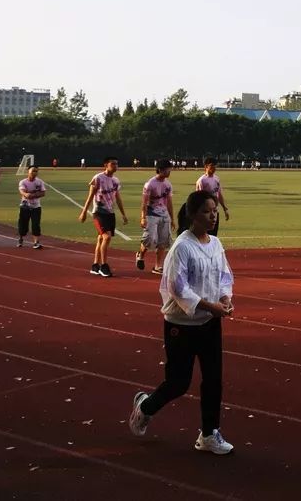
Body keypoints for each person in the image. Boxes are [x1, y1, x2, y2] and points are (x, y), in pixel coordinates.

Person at [127, 190, 236, 454]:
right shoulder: (182, 247)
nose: (213, 216)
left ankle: (209, 434)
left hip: (210, 323)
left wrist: (225, 297)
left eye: (214, 210)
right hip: (182, 326)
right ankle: (145, 407)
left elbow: (224, 275)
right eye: (207, 211)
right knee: (178, 382)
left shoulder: (215, 244)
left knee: (213, 379)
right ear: (192, 215)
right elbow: (178, 287)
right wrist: (210, 306)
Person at [78, 157, 128, 277]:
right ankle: (104, 266)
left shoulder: (115, 181)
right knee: (107, 237)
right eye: (112, 164)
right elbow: (90, 196)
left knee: (101, 238)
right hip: (99, 212)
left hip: (110, 213)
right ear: (106, 165)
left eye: (117, 164)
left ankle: (95, 265)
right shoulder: (98, 178)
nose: (115, 166)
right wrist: (84, 212)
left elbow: (118, 197)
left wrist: (123, 214)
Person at [139, 161, 176, 275]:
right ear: (160, 170)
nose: (169, 172)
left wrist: (172, 218)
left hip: (164, 215)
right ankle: (140, 254)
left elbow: (169, 202)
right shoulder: (150, 184)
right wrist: (143, 217)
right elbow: (144, 203)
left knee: (163, 242)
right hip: (151, 214)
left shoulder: (168, 185)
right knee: (150, 239)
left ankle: (157, 266)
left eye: (170, 169)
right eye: (167, 170)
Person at [195, 158, 229, 236]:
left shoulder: (216, 179)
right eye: (212, 166)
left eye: (215, 166)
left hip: (215, 210)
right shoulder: (202, 181)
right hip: (206, 211)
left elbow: (219, 194)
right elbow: (198, 198)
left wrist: (225, 209)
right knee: (205, 234)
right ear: (206, 167)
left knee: (214, 234)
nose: (214, 168)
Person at [17, 165, 47, 249]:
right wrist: (27, 194)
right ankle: (21, 238)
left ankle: (36, 242)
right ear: (28, 172)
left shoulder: (39, 182)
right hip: (25, 207)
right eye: (33, 171)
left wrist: (32, 195)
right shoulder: (23, 182)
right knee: (23, 224)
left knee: (36, 224)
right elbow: (23, 192)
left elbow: (43, 193)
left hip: (36, 207)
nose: (34, 173)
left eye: (36, 171)